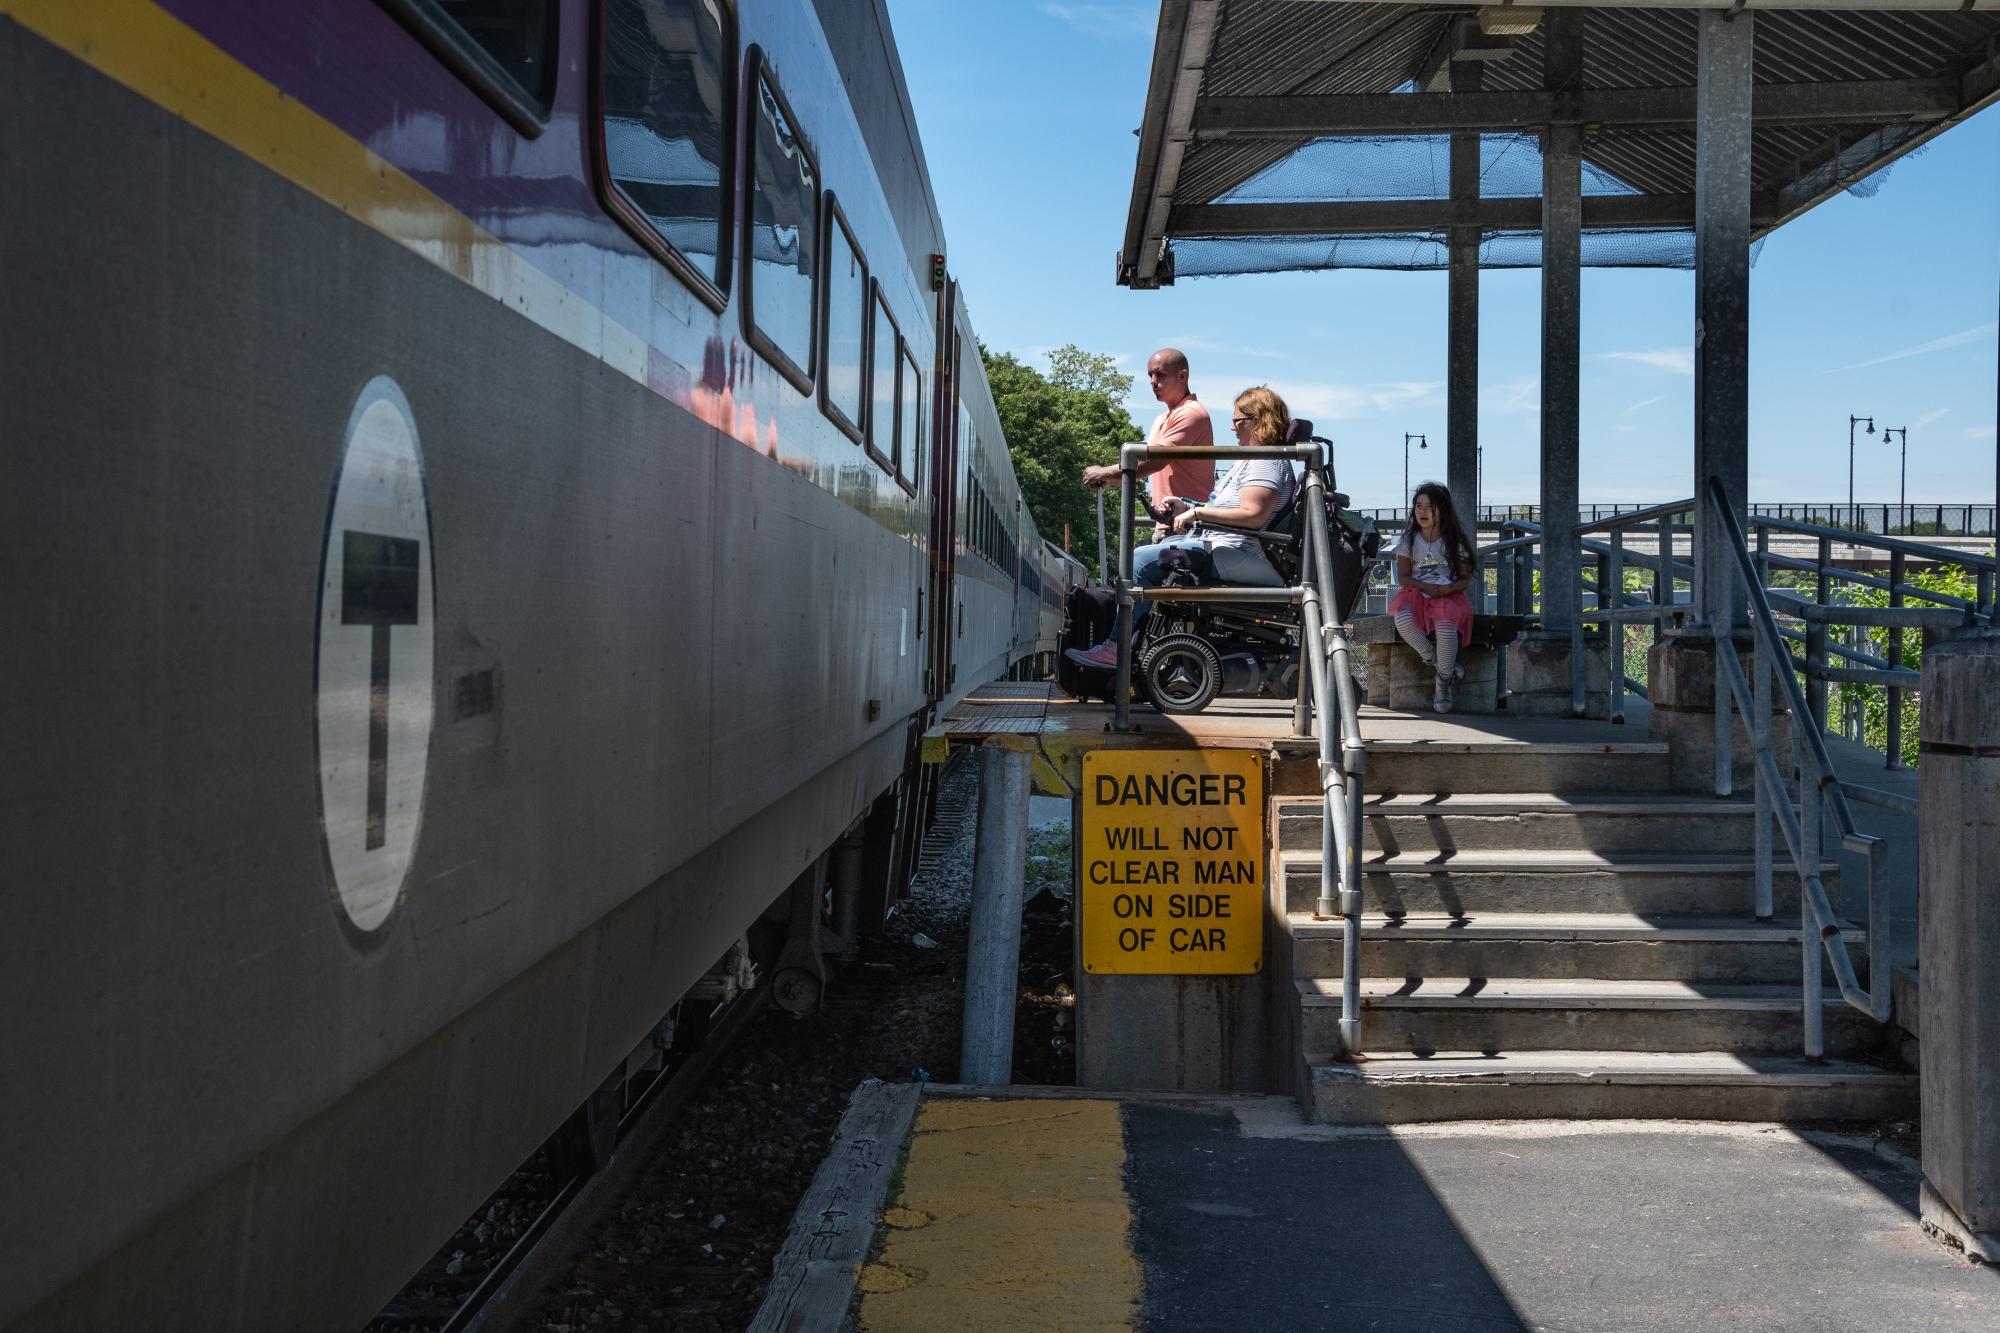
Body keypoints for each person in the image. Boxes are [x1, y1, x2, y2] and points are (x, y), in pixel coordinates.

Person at [1065, 386, 1297, 671]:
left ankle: (1118, 648)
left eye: (1238, 421)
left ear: (1258, 420)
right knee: (1153, 554)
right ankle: (1131, 648)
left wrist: (1197, 512)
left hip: (1246, 555)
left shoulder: (1266, 462)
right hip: (1228, 548)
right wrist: (1187, 506)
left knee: (1141, 559)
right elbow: (1229, 508)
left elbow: (1253, 516)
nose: (1233, 427)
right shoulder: (1250, 460)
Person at [1080, 347, 1215, 519]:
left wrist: (1104, 472)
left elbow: (1153, 463)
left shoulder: (1190, 414)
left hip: (1189, 525)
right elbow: (1141, 467)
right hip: (1170, 523)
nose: (1152, 381)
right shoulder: (1162, 419)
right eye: (1150, 375)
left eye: (1160, 374)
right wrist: (1110, 477)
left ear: (1182, 376)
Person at [1389, 481, 1477, 713]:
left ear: (1443, 509)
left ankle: (1443, 683)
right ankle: (1437, 663)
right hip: (1417, 592)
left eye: (1430, 506)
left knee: (1446, 627)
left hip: (1447, 595)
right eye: (1418, 505)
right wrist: (1425, 588)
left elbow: (1465, 578)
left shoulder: (1453, 540)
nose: (1423, 511)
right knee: (1403, 619)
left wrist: (1450, 589)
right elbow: (1404, 577)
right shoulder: (1409, 539)